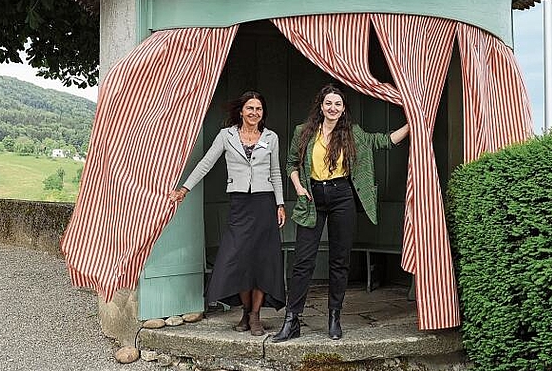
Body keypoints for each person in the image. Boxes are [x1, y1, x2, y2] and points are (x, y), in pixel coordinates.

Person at [272, 84, 409, 342]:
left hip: (342, 195)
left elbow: (383, 141)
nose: (333, 108)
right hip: (312, 197)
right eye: (328, 103)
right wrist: (299, 187)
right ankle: (292, 320)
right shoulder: (302, 132)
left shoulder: (353, 133)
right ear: (321, 106)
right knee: (303, 261)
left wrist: (413, 123)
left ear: (343, 108)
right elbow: (291, 163)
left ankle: (334, 316)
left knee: (339, 260)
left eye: (338, 104)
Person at [168, 91, 286, 336]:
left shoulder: (271, 137)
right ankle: (245, 310)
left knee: (263, 260)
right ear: (241, 111)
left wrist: (280, 204)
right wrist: (185, 189)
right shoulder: (227, 136)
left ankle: (255, 316)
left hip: (265, 203)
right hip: (240, 203)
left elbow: (276, 172)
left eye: (259, 109)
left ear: (263, 113)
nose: (254, 113)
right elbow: (206, 163)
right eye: (250, 108)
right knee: (239, 258)